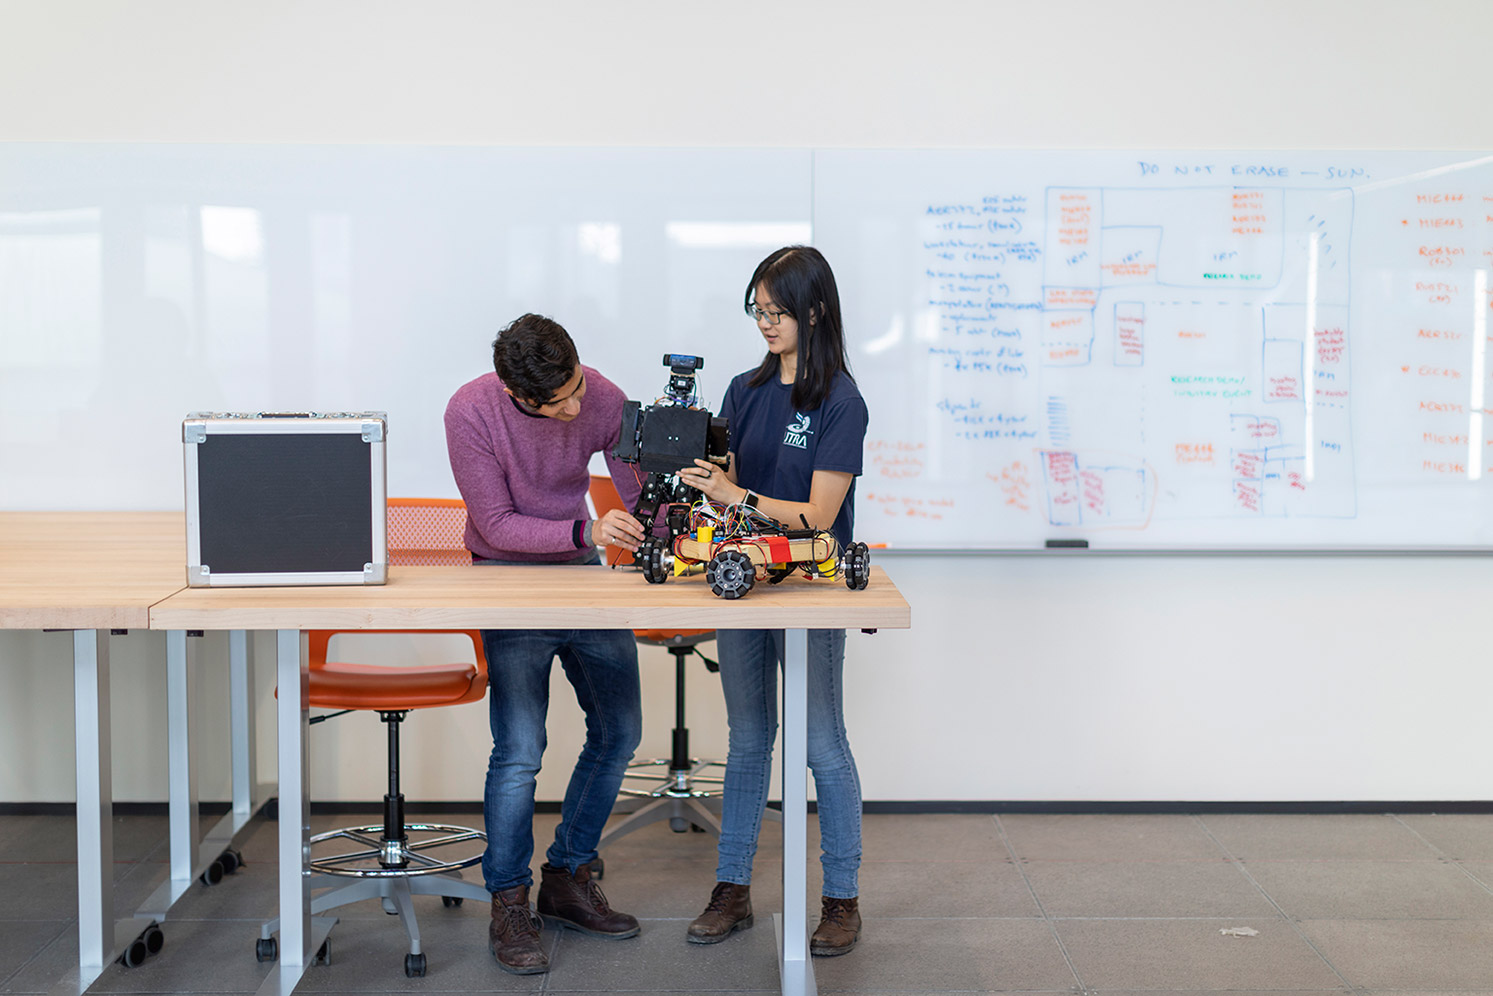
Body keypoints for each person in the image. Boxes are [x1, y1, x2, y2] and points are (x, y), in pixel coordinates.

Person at [676, 246, 869, 956]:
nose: (764, 323)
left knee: (822, 745)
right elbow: (727, 474)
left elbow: (819, 515)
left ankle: (841, 898)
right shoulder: (742, 388)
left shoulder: (840, 402)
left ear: (814, 311)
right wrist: (704, 472)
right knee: (749, 739)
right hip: (740, 578)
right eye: (756, 310)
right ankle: (731, 889)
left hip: (809, 586)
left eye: (776, 311)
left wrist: (738, 494)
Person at [444, 313, 648, 975]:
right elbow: (497, 526)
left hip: (582, 575)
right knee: (521, 750)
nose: (578, 406)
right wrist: (587, 534)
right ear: (518, 395)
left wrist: (662, 523)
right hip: (506, 576)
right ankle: (508, 898)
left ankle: (565, 877)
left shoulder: (600, 395)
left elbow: (643, 491)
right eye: (560, 402)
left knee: (618, 729)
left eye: (578, 386)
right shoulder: (471, 411)